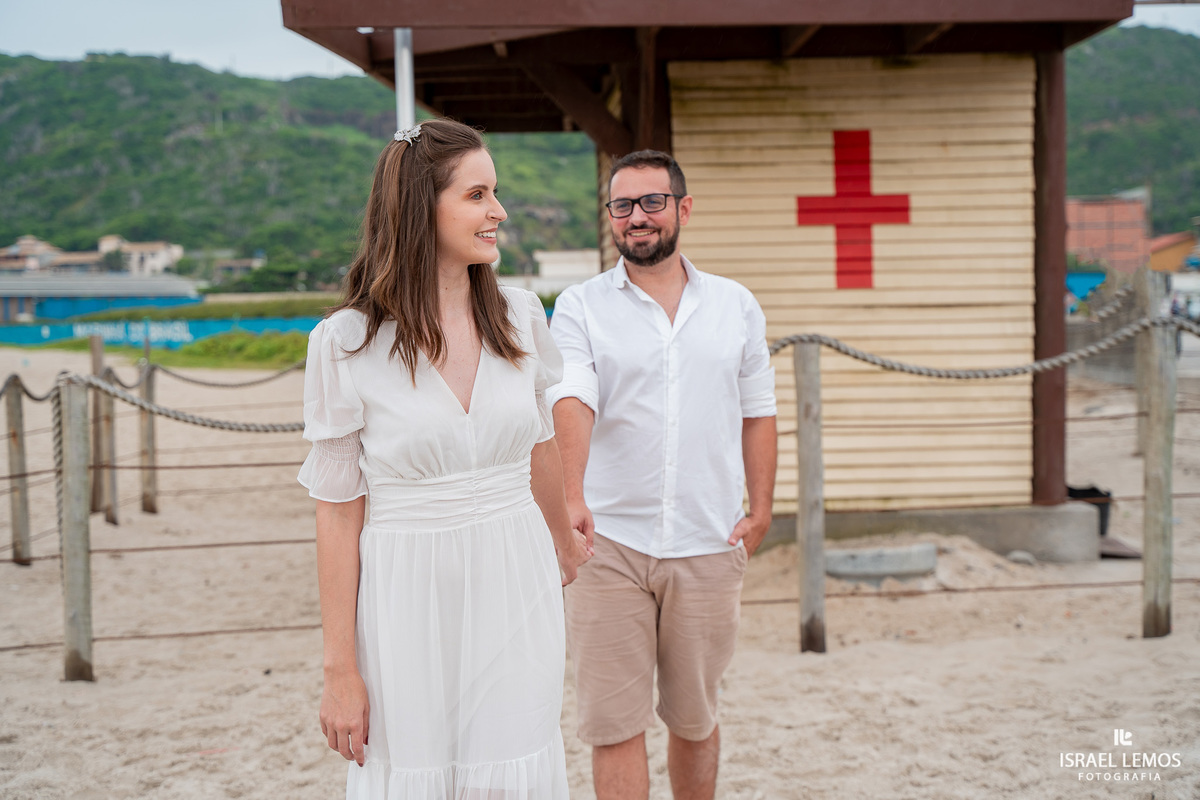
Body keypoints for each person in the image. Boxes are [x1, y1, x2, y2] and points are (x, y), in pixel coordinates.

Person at [297, 118, 592, 799]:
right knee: (416, 769)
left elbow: (540, 442)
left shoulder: (520, 317)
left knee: (517, 755)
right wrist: (339, 668)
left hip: (517, 572)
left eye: (496, 193)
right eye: (477, 195)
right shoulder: (344, 344)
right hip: (405, 585)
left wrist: (561, 534)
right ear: (419, 209)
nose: (499, 212)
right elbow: (337, 514)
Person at [548, 150, 778, 799]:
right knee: (613, 725)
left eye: (651, 202)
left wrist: (760, 511)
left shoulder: (736, 305)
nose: (637, 218)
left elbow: (759, 412)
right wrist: (571, 496)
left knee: (695, 718)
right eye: (622, 205)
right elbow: (573, 397)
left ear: (683, 207)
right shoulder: (579, 306)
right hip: (609, 546)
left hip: (708, 541)